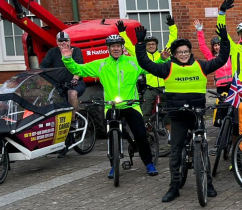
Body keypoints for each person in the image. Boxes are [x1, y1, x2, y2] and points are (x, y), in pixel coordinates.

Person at [134, 23, 231, 203]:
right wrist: (140, 45)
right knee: (176, 150)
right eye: (180, 52)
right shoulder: (167, 68)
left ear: (190, 52)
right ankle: (174, 187)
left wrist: (225, 39)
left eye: (186, 51)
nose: (184, 54)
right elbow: (145, 63)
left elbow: (223, 58)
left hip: (197, 113)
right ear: (174, 54)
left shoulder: (201, 66)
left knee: (203, 148)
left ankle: (208, 184)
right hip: (177, 116)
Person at [60, 33, 158, 179]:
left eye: (118, 46)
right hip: (110, 106)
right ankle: (114, 165)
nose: (116, 49)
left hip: (131, 105)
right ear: (108, 49)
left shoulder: (133, 62)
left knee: (140, 135)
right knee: (112, 136)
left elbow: (152, 66)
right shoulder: (101, 64)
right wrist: (67, 58)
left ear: (122, 47)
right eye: (113, 46)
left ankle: (149, 163)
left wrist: (163, 59)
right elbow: (78, 70)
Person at [116, 16, 178, 116]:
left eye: (153, 44)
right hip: (151, 89)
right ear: (145, 46)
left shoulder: (163, 53)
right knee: (145, 112)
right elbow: (128, 45)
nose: (151, 46)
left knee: (169, 113)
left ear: (157, 45)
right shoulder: (141, 56)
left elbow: (172, 40)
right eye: (148, 44)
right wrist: (122, 32)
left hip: (165, 87)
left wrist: (172, 26)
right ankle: (145, 128)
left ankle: (166, 129)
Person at [40, 31, 85, 111]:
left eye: (66, 40)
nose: (63, 43)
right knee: (48, 97)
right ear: (57, 42)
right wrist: (45, 81)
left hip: (75, 83)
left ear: (70, 41)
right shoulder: (52, 52)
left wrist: (75, 79)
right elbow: (43, 67)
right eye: (61, 41)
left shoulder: (76, 50)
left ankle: (73, 119)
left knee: (71, 93)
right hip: (58, 84)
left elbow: (79, 66)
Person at [195, 19, 233, 94]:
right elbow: (202, 46)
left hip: (232, 85)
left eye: (219, 44)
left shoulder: (230, 55)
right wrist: (200, 31)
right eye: (215, 45)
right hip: (221, 86)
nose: (217, 47)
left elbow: (239, 46)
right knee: (222, 105)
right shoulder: (211, 57)